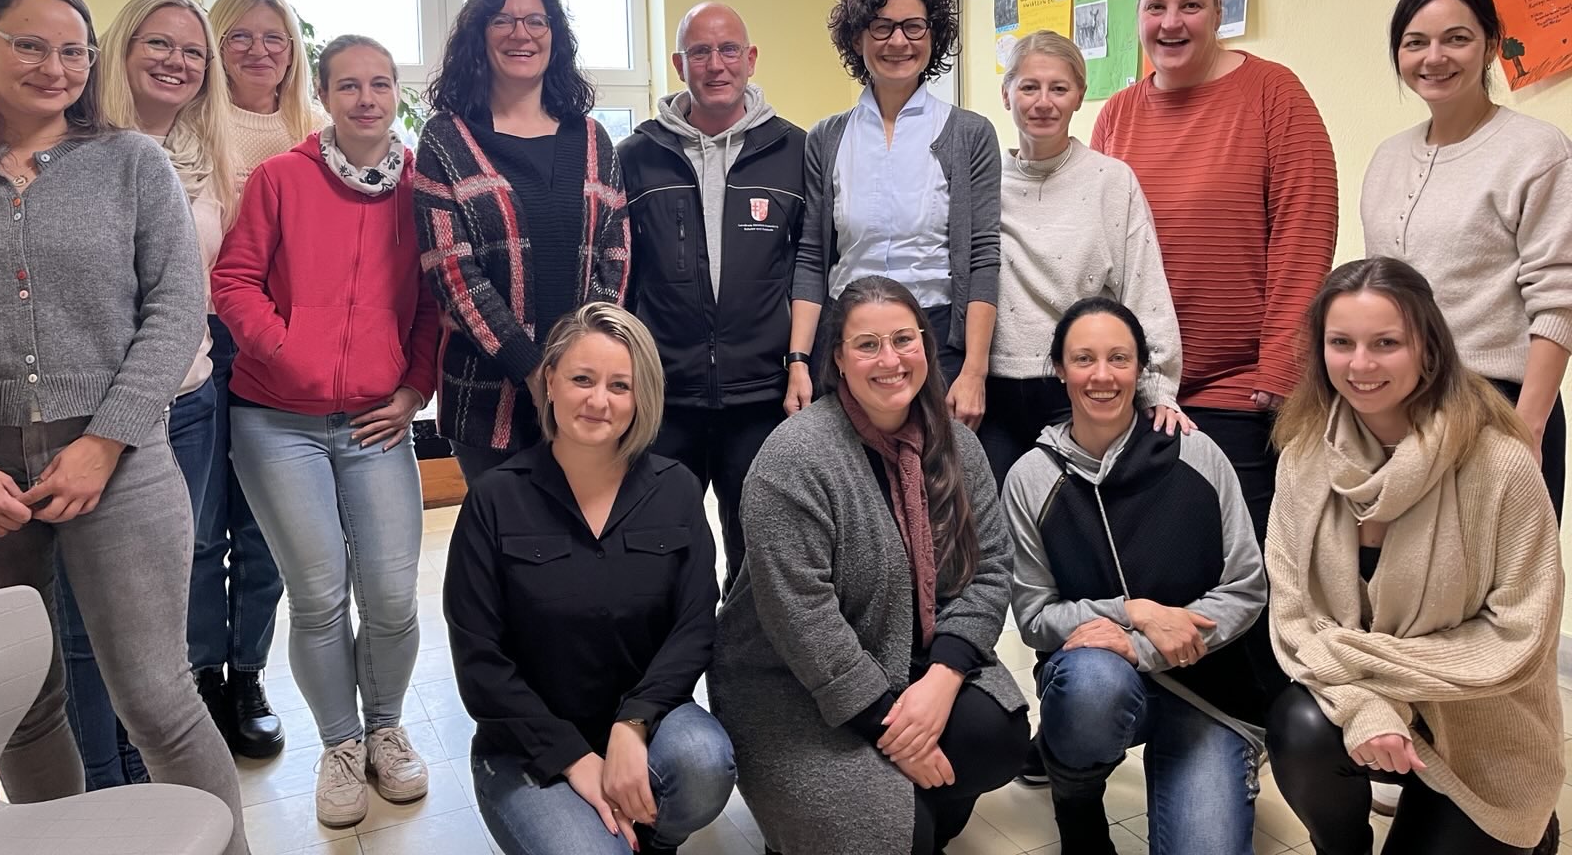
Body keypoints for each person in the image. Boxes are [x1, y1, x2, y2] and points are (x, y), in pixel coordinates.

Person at [0, 0, 250, 855]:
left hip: (121, 461)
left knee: (159, 699)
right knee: (24, 704)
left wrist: (104, 441)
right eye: (29, 44)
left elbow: (176, 309)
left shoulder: (130, 163)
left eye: (73, 51)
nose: (54, 67)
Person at [711, 276, 1028, 855]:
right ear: (837, 358)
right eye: (867, 345)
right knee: (885, 837)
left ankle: (904, 812)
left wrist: (944, 677)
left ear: (925, 346)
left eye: (904, 340)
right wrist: (894, 730)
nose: (890, 360)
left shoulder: (958, 446)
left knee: (997, 737)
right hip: (790, 687)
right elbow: (803, 621)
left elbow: (989, 570)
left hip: (911, 659)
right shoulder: (794, 459)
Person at [211, 34, 439, 827]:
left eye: (380, 84)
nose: (366, 99)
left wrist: (414, 389)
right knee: (316, 596)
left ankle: (386, 731)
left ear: (396, 93)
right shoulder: (281, 178)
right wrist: (287, 353)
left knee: (392, 597)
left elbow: (434, 305)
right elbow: (233, 280)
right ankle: (340, 745)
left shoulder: (422, 189)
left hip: (377, 422)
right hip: (278, 422)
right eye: (348, 85)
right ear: (324, 94)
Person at [1265, 257, 1563, 855]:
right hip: (1363, 705)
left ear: (1428, 347)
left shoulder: (1500, 463)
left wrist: (1361, 668)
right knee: (1298, 727)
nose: (1361, 365)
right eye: (1341, 343)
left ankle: (1526, 832)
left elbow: (1518, 637)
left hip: (1481, 726)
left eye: (1386, 343)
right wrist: (1366, 705)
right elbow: (1294, 617)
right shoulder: (1303, 457)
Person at [445, 303, 735, 855]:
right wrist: (575, 759)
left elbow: (695, 623)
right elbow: (479, 659)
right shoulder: (495, 500)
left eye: (620, 386)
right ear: (550, 381)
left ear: (641, 397)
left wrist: (635, 721)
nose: (599, 401)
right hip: (528, 745)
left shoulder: (675, 488)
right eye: (582, 379)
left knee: (701, 763)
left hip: (645, 723)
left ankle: (655, 842)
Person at [1092, 0, 1338, 546]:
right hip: (1141, 388)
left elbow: (1305, 230)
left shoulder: (1273, 93)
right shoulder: (1117, 115)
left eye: (1190, 6)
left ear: (1219, 11)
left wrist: (1282, 363)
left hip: (1240, 390)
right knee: (1156, 563)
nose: (1170, 23)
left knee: (1240, 568)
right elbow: (1098, 252)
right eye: (1156, 7)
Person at [1001, 297, 1267, 854]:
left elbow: (1245, 587)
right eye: (1084, 359)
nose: (1102, 376)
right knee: (1093, 687)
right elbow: (1034, 618)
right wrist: (1133, 613)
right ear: (1059, 369)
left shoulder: (1196, 452)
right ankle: (1076, 799)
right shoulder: (1030, 477)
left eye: (1119, 358)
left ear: (1142, 368)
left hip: (1206, 688)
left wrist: (1141, 647)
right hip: (1097, 679)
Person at [55, 0, 237, 790]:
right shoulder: (75, 150)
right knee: (85, 621)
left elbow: (192, 294)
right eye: (158, 44)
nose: (177, 61)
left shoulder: (201, 155)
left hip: (188, 400)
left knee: (162, 609)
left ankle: (149, 775)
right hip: (87, 419)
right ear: (120, 50)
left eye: (193, 51)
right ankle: (104, 785)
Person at [1362, 0, 1570, 518]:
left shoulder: (1537, 150)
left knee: (1505, 569)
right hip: (1401, 409)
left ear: (1491, 45)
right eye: (1416, 42)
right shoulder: (1388, 157)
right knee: (1403, 570)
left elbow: (1560, 297)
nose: (1434, 58)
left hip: (1497, 407)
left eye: (1456, 39)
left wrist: (1528, 427)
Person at [415, 0, 630, 484]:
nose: (521, 34)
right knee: (505, 532)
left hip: (588, 396)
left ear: (555, 36)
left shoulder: (593, 138)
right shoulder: (446, 139)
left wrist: (579, 366)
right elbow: (452, 273)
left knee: (586, 528)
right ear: (479, 36)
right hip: (487, 400)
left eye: (536, 21)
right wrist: (534, 369)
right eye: (503, 21)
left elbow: (616, 255)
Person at [618, 1, 805, 581]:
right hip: (663, 397)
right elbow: (618, 277)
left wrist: (802, 364)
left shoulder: (795, 152)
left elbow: (812, 269)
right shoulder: (636, 157)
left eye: (728, 50)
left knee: (759, 559)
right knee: (657, 553)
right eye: (700, 52)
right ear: (680, 65)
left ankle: (743, 647)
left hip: (763, 396)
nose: (716, 64)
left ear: (751, 59)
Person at [192, 0, 320, 758]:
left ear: (293, 51)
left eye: (274, 37)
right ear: (215, 45)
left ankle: (248, 676)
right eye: (239, 36)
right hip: (204, 341)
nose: (258, 50)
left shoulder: (316, 130)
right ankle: (203, 676)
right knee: (202, 530)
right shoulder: (189, 128)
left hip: (286, 344)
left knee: (265, 527)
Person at [786, 0, 999, 429]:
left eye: (913, 26)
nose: (898, 41)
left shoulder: (969, 134)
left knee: (935, 468)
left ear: (933, 35)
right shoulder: (826, 138)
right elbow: (812, 256)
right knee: (850, 467)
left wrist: (974, 371)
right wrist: (799, 360)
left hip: (936, 339)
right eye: (881, 27)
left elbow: (983, 256)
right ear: (857, 38)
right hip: (847, 338)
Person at [975, 30, 1185, 490]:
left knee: (1079, 518)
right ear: (1006, 94)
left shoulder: (1112, 181)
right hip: (993, 392)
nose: (1043, 102)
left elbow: (1144, 287)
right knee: (997, 521)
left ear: (1079, 97)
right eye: (1029, 87)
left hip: (1079, 386)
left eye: (1059, 88)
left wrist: (1158, 389)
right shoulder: (984, 181)